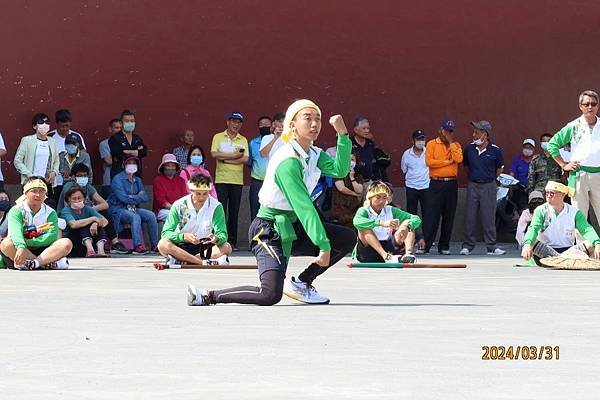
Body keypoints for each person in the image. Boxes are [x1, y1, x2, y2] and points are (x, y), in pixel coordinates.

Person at [187, 99, 355, 306]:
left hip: (295, 226)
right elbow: (303, 206)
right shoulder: (288, 159)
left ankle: (302, 282)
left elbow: (340, 170)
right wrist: (323, 245)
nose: (314, 124)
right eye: (308, 118)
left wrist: (343, 136)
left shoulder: (313, 154)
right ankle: (208, 295)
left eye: (318, 119)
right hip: (268, 230)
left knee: (346, 237)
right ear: (292, 124)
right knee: (269, 294)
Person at [158, 173, 232, 266]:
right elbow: (166, 233)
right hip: (181, 245)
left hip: (204, 247)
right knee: (163, 244)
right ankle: (201, 262)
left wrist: (216, 238)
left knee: (226, 247)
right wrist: (183, 237)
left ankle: (184, 260)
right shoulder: (179, 205)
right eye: (198, 193)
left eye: (205, 194)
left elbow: (222, 234)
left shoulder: (216, 206)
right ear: (191, 191)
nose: (201, 198)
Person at [547, 90, 600, 220]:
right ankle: (581, 241)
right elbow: (552, 144)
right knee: (578, 214)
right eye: (586, 104)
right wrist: (563, 165)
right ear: (580, 106)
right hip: (578, 174)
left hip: (598, 173)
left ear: (598, 106)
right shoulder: (573, 126)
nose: (590, 107)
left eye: (593, 104)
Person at [0, 177, 71, 270]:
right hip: (21, 249)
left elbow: (52, 235)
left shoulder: (50, 212)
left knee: (66, 243)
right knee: (6, 244)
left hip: (44, 250)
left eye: (42, 191)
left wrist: (30, 241)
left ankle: (35, 263)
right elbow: (15, 232)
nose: (38, 194)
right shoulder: (16, 210)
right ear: (25, 193)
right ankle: (45, 264)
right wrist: (21, 246)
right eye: (34, 191)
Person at [521, 181, 600, 264]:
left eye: (552, 193)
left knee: (593, 242)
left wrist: (597, 243)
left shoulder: (574, 212)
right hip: (545, 250)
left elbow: (586, 229)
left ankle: (558, 259)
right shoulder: (540, 210)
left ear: (562, 194)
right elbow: (533, 228)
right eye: (547, 192)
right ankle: (563, 259)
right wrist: (528, 245)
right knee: (531, 242)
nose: (548, 195)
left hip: (570, 251)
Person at [57, 163, 129, 254]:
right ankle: (90, 249)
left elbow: (105, 204)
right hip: (70, 219)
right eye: (80, 176)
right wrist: (93, 218)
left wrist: (91, 213)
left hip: (84, 214)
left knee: (104, 213)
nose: (83, 178)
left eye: (85, 176)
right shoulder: (69, 187)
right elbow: (69, 209)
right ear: (74, 177)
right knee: (88, 223)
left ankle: (113, 244)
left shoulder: (88, 188)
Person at [460, 120, 506, 256]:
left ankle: (491, 246)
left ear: (484, 134)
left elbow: (500, 168)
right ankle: (467, 245)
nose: (473, 134)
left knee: (489, 216)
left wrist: (491, 179)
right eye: (473, 132)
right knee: (470, 215)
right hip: (473, 184)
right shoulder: (469, 149)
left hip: (488, 185)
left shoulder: (495, 150)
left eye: (476, 132)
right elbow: (466, 166)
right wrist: (474, 177)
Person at [353, 181, 421, 263]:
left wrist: (408, 225)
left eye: (384, 197)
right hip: (368, 250)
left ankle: (408, 254)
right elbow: (356, 221)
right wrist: (381, 223)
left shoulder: (390, 209)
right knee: (363, 228)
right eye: (378, 198)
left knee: (408, 222)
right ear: (370, 198)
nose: (381, 201)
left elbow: (415, 218)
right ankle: (385, 256)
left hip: (389, 247)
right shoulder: (364, 210)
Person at [210, 111, 249, 249]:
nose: (235, 124)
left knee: (234, 211)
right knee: (220, 210)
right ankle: (218, 238)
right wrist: (235, 156)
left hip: (237, 180)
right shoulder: (218, 137)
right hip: (221, 179)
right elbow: (215, 154)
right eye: (233, 121)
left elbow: (245, 158)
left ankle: (232, 241)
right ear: (228, 122)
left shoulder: (243, 139)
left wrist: (226, 159)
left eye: (238, 122)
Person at [423, 119, 462, 255]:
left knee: (449, 215)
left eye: (450, 131)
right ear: (440, 130)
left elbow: (458, 159)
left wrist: (451, 143)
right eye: (446, 130)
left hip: (451, 183)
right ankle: (426, 245)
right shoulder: (432, 144)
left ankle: (444, 246)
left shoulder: (455, 145)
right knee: (432, 215)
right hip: (436, 182)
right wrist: (447, 162)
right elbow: (430, 162)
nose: (447, 133)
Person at [108, 156, 159, 254]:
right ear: (124, 165)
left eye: (134, 163)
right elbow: (122, 198)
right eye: (129, 163)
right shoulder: (117, 179)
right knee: (135, 217)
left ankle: (154, 245)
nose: (131, 165)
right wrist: (136, 197)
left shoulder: (138, 180)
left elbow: (145, 197)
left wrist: (132, 197)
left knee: (151, 215)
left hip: (133, 208)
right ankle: (138, 246)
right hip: (118, 209)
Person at [13, 113, 60, 198]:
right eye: (41, 122)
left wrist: (54, 172)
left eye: (47, 122)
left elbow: (57, 160)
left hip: (47, 182)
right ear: (34, 126)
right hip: (31, 182)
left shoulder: (52, 141)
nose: (44, 125)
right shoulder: (27, 140)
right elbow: (17, 161)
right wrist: (30, 175)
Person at [400, 129, 429, 252]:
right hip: (411, 187)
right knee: (412, 214)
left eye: (423, 139)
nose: (421, 142)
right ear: (413, 140)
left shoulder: (429, 152)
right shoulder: (407, 154)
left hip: (426, 187)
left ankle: (426, 239)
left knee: (427, 214)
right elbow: (404, 169)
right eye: (418, 139)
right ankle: (414, 238)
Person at [60, 186, 109, 257]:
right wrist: (93, 219)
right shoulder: (66, 210)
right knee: (84, 226)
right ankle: (90, 251)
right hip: (73, 242)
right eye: (74, 198)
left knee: (99, 227)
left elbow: (105, 221)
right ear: (69, 200)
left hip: (86, 242)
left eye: (79, 198)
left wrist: (96, 223)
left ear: (83, 198)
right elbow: (73, 224)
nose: (77, 201)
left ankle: (101, 251)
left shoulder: (88, 209)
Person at [108, 109, 148, 178]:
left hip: (136, 175)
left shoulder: (137, 138)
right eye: (127, 121)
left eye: (132, 121)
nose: (130, 123)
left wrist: (128, 151)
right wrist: (136, 152)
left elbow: (144, 152)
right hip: (119, 175)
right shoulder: (115, 138)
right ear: (121, 123)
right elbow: (119, 154)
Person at [248, 116, 272, 220]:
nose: (265, 126)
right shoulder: (253, 143)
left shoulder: (277, 141)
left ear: (272, 126)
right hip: (257, 182)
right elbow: (249, 162)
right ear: (258, 127)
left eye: (267, 124)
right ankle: (254, 235)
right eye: (262, 125)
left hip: (273, 183)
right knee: (255, 211)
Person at [330, 153, 363, 229]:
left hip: (354, 208)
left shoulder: (358, 176)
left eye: (352, 160)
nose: (350, 162)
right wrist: (354, 194)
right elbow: (341, 188)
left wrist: (352, 178)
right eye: (348, 159)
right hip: (340, 207)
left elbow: (359, 190)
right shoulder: (338, 174)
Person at [153, 153, 187, 222]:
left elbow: (184, 198)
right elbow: (161, 201)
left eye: (173, 165)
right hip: (162, 210)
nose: (170, 168)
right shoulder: (157, 180)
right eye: (168, 165)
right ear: (163, 167)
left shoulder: (181, 180)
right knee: (174, 215)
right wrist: (175, 208)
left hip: (180, 209)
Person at [99, 118, 121, 199]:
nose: (119, 130)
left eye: (121, 128)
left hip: (124, 182)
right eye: (116, 128)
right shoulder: (104, 144)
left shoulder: (128, 144)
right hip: (109, 182)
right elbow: (109, 161)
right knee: (109, 209)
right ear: (110, 129)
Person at [351, 117, 376, 185]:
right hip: (354, 181)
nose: (367, 131)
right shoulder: (349, 143)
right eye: (364, 128)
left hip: (369, 181)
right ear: (356, 130)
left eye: (368, 128)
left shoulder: (370, 143)